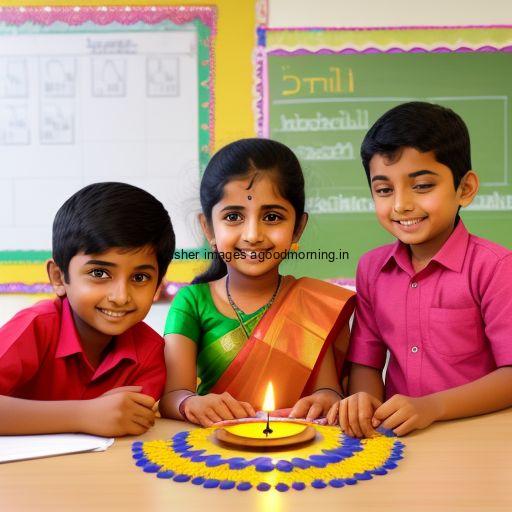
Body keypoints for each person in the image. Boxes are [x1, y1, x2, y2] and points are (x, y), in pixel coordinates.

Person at [327, 102, 512, 437]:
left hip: (483, 437)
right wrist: (365, 403)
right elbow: (366, 363)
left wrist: (432, 407)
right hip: (401, 439)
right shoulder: (372, 268)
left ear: (465, 189)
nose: (401, 204)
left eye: (422, 185)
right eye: (384, 189)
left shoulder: (497, 267)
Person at [159, 138, 355, 427]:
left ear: (298, 228)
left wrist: (327, 398)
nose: (253, 234)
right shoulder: (192, 302)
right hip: (215, 450)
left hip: (297, 448)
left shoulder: (310, 302)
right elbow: (172, 395)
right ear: (208, 228)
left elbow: (327, 389)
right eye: (234, 216)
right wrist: (190, 403)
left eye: (272, 217)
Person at [0, 182, 175, 436]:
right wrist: (85, 414)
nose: (120, 296)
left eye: (139, 278)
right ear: (59, 278)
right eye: (99, 273)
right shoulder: (35, 326)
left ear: (158, 286)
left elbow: (127, 424)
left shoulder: (151, 354)